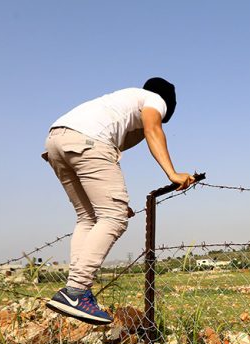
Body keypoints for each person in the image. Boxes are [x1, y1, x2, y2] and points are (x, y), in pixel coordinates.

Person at [42, 78, 195, 325]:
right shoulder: (154, 98)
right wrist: (172, 173)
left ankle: (76, 289)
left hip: (56, 140)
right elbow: (153, 130)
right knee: (113, 218)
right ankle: (76, 291)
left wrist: (114, 201)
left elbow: (107, 159)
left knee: (89, 217)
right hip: (88, 142)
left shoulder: (120, 103)